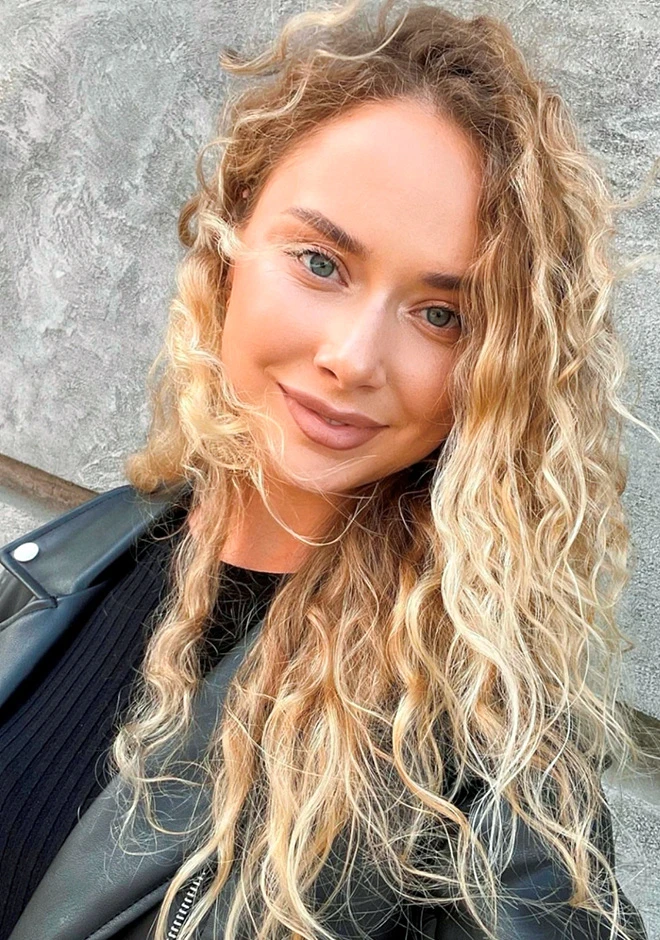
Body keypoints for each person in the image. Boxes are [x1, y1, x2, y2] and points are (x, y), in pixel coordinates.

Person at [0, 0, 654, 937]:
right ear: (229, 245)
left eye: (442, 315)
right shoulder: (66, 562)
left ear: (499, 368)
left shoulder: (483, 764)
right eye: (320, 262)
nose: (353, 357)